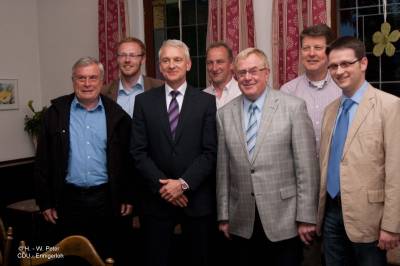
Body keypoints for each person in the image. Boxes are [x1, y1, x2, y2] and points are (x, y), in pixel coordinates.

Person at [216, 47, 319, 266]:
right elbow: (223, 170)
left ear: (267, 72)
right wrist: (224, 215)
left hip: (285, 219)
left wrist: (307, 217)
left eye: (253, 71)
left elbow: (307, 168)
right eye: (241, 73)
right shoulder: (224, 114)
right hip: (242, 219)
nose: (247, 77)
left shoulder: (293, 107)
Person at [34, 56, 133, 261]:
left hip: (106, 200)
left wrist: (128, 196)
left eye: (92, 78)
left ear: (101, 81)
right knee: (70, 257)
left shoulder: (117, 115)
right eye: (81, 78)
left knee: (105, 255)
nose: (87, 84)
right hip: (67, 201)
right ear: (73, 80)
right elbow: (43, 161)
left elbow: (127, 160)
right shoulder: (55, 113)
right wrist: (45, 202)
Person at [130, 39, 217, 266]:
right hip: (156, 203)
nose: (171, 65)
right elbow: (138, 151)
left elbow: (210, 152)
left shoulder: (207, 102)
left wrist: (183, 184)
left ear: (188, 64)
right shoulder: (143, 102)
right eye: (166, 60)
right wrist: (164, 186)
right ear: (159, 66)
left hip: (196, 201)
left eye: (177, 59)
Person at [316, 36, 400, 266]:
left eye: (345, 64)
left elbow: (396, 171)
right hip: (331, 214)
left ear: (362, 63)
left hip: (370, 219)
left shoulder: (390, 106)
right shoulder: (330, 111)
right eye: (333, 66)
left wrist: (392, 226)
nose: (338, 71)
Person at [280, 23, 341, 153]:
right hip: (301, 170)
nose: (311, 53)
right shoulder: (287, 91)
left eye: (318, 47)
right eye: (306, 48)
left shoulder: (342, 89)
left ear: (330, 52)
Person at [102, 37, 164, 117]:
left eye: (132, 55)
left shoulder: (160, 88)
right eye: (123, 55)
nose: (127, 60)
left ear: (143, 59)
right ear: (117, 59)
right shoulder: (104, 92)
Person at [204, 41, 241, 109]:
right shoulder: (202, 96)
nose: (214, 68)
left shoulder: (242, 92)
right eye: (210, 63)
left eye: (219, 62)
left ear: (231, 64)